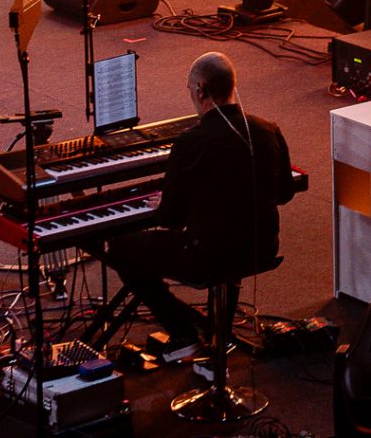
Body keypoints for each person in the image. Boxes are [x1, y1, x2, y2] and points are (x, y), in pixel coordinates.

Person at [94, 52, 295, 353]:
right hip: (262, 248)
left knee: (122, 247)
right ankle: (214, 331)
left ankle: (184, 328)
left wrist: (166, 203)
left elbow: (171, 220)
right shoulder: (268, 130)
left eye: (189, 88)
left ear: (201, 89)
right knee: (221, 242)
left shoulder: (191, 142)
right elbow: (284, 194)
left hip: (208, 257)